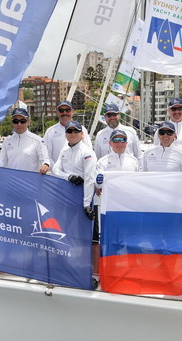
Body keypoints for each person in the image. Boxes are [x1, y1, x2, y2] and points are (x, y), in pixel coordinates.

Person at [92, 129, 141, 287]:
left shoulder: (134, 161)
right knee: (109, 241)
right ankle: (107, 273)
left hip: (129, 207)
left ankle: (129, 272)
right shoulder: (102, 161)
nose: (119, 143)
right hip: (109, 208)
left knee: (129, 240)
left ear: (127, 143)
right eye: (116, 140)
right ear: (110, 143)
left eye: (122, 140)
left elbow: (140, 182)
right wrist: (98, 181)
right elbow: (97, 185)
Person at [52, 120, 97, 220]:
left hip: (82, 195)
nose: (73, 134)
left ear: (82, 134)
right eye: (69, 131)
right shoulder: (64, 151)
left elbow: (89, 179)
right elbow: (55, 170)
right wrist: (69, 177)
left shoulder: (87, 152)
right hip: (65, 196)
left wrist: (86, 205)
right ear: (66, 135)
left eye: (76, 131)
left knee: (86, 231)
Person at [0, 108, 49, 173]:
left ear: (28, 122)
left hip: (31, 181)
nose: (19, 124)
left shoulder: (38, 141)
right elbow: (1, 161)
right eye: (16, 121)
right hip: (12, 181)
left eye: (22, 121)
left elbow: (45, 160)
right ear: (12, 123)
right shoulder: (7, 141)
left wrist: (45, 166)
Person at [44, 101, 91, 169]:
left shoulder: (82, 129)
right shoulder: (50, 132)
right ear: (57, 113)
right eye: (61, 110)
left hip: (79, 174)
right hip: (57, 175)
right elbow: (47, 156)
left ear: (72, 111)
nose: (64, 113)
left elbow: (89, 151)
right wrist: (58, 171)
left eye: (67, 110)